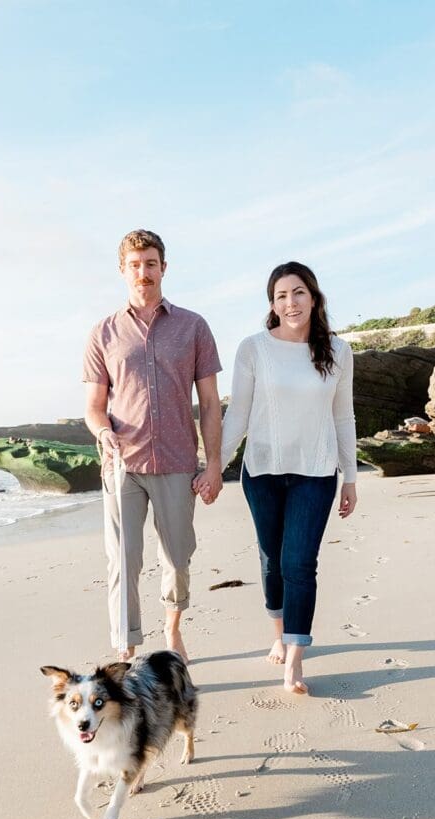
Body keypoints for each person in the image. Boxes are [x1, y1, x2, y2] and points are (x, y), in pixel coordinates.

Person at [208, 261, 357, 694]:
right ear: (272, 304)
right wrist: (216, 463)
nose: (290, 303)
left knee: (299, 563)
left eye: (297, 293)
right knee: (272, 560)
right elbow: (237, 413)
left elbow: (343, 416)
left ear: (314, 297)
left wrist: (349, 475)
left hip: (315, 472)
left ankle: (295, 657)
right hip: (263, 472)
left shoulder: (338, 350)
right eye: (280, 296)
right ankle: (279, 631)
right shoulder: (254, 349)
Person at [83, 229, 223, 662]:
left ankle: (172, 628)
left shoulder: (193, 326)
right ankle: (125, 648)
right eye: (134, 265)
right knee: (123, 562)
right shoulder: (103, 333)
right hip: (122, 464)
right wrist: (102, 431)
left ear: (164, 267)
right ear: (122, 270)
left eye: (150, 263)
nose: (143, 272)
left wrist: (214, 463)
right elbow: (93, 406)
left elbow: (211, 402)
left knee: (178, 557)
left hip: (179, 460)